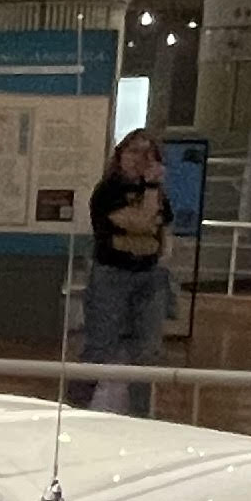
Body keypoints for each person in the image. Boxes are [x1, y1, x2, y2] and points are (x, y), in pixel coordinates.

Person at [75, 128, 174, 416]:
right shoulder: (108, 192)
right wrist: (152, 188)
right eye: (133, 151)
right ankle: (77, 407)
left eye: (148, 153)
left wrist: (162, 261)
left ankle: (141, 416)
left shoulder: (156, 194)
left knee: (148, 352)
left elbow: (163, 228)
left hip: (149, 276)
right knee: (100, 345)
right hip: (112, 275)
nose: (140, 159)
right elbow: (142, 223)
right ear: (119, 156)